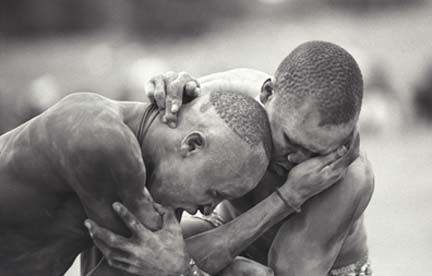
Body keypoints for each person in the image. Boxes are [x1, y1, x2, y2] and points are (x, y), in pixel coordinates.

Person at [89, 41, 374, 276]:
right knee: (123, 241)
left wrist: (182, 271)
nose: (298, 160)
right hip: (223, 235)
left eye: (317, 152)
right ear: (268, 93)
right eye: (291, 142)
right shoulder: (223, 97)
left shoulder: (345, 172)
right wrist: (163, 109)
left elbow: (285, 270)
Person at [0, 86, 349, 276]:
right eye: (215, 192)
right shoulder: (102, 141)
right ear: (191, 144)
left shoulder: (144, 160)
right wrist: (285, 200)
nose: (208, 208)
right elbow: (139, 271)